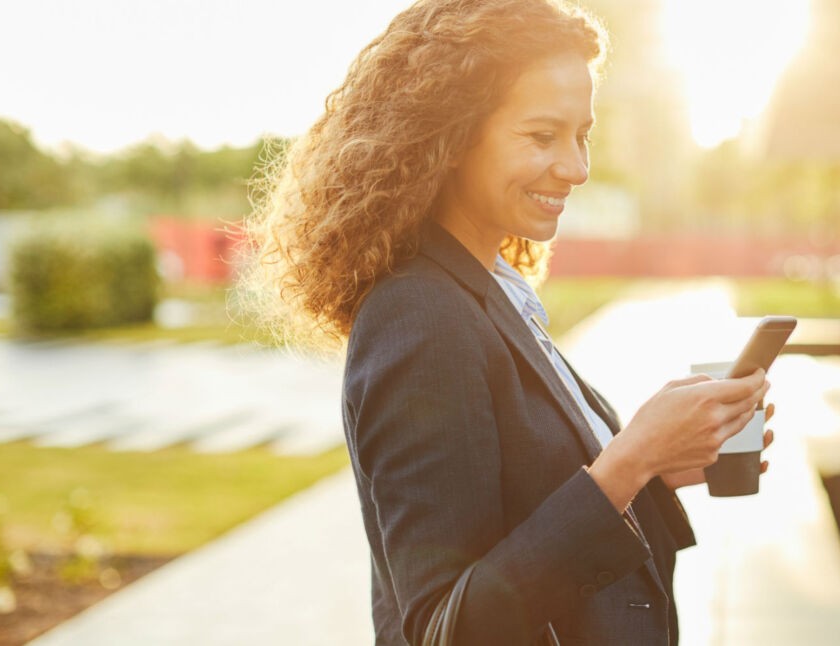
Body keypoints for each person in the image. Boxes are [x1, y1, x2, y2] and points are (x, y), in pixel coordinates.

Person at [247, 0, 774, 643]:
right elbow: (448, 626)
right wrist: (629, 460)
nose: (577, 168)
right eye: (542, 136)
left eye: (582, 135)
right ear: (448, 136)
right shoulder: (421, 317)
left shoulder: (489, 291)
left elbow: (527, 518)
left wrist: (656, 468)